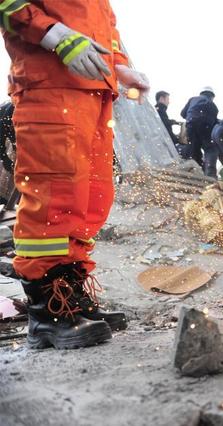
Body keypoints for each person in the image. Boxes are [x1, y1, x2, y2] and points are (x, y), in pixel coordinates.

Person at [1, 0, 150, 349]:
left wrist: (118, 66)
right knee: (54, 198)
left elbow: (102, 22)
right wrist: (52, 32)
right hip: (49, 83)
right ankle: (47, 312)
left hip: (94, 88)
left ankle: (69, 293)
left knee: (90, 199)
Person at [180, 87, 219, 172]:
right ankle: (209, 172)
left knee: (193, 147)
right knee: (210, 149)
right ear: (212, 97)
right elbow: (215, 122)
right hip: (206, 127)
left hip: (191, 125)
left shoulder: (193, 99)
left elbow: (182, 113)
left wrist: (192, 117)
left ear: (201, 93)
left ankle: (191, 169)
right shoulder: (214, 106)